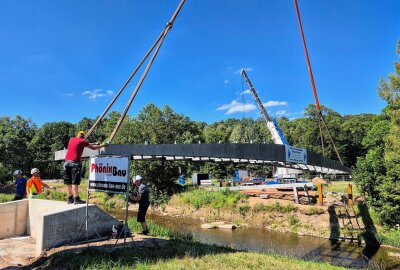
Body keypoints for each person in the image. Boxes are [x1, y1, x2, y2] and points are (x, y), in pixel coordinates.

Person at [64, 130, 105, 204]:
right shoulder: (83, 141)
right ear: (83, 137)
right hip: (75, 163)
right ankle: (76, 199)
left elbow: (86, 144)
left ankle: (69, 199)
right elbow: (93, 148)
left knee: (68, 182)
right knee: (74, 182)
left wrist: (95, 143)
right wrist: (103, 145)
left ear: (77, 135)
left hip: (66, 162)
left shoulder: (71, 139)